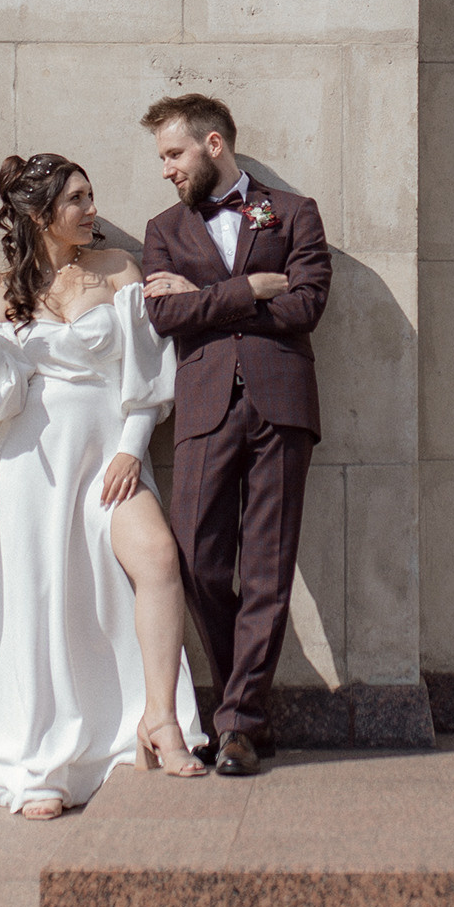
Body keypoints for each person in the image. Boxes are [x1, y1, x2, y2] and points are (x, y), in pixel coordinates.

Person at [0, 152, 206, 818]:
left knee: (158, 559)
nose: (91, 209)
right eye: (77, 199)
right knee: (38, 600)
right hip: (30, 465)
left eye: (90, 195)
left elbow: (147, 376)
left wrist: (130, 450)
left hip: (109, 456)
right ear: (38, 215)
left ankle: (161, 722)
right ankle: (42, 757)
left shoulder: (118, 271)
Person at [139, 93, 333, 778]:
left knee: (266, 568)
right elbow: (164, 319)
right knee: (197, 560)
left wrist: (203, 301)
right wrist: (249, 289)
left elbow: (307, 304)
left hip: (281, 407)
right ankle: (237, 708)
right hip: (202, 412)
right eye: (161, 156)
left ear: (213, 144)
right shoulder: (162, 229)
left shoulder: (294, 212)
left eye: (172, 153)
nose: (164, 169)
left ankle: (240, 726)